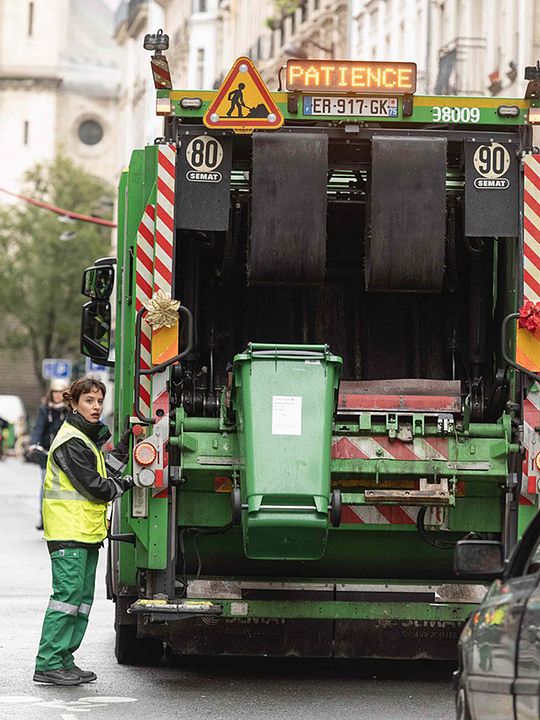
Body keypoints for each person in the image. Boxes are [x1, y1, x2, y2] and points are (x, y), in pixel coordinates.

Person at [33, 376, 134, 686]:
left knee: (80, 600)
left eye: (100, 401)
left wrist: (124, 447)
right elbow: (96, 487)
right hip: (68, 532)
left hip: (85, 533)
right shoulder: (70, 441)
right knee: (66, 598)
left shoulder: (85, 439)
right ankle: (48, 661)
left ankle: (64, 658)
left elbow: (101, 470)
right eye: (89, 401)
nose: (96, 407)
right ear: (73, 403)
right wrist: (127, 484)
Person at [29, 379, 69, 530]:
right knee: (45, 486)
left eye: (61, 392)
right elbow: (38, 427)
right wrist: (33, 443)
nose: (58, 395)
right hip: (46, 454)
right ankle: (43, 516)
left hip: (64, 455)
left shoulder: (69, 410)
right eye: (55, 392)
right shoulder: (45, 409)